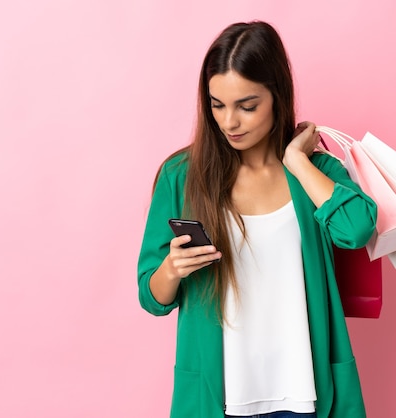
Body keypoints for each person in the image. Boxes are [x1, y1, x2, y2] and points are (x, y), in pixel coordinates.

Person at [137, 21, 377, 418]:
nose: (230, 122)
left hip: (306, 392)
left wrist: (297, 161)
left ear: (277, 97)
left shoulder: (315, 172)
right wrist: (171, 269)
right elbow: (152, 298)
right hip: (220, 397)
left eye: (247, 106)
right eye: (217, 105)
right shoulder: (180, 176)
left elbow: (356, 229)